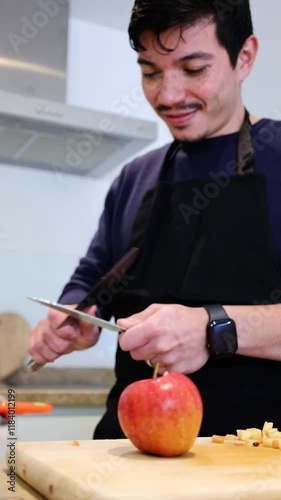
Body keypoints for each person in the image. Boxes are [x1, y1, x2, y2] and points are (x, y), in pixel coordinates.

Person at [29, 0, 281, 438]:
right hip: (129, 455)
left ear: (245, 56)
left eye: (194, 68)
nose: (168, 96)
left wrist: (212, 328)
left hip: (258, 461)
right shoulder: (135, 177)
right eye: (150, 72)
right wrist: (75, 315)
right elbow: (94, 276)